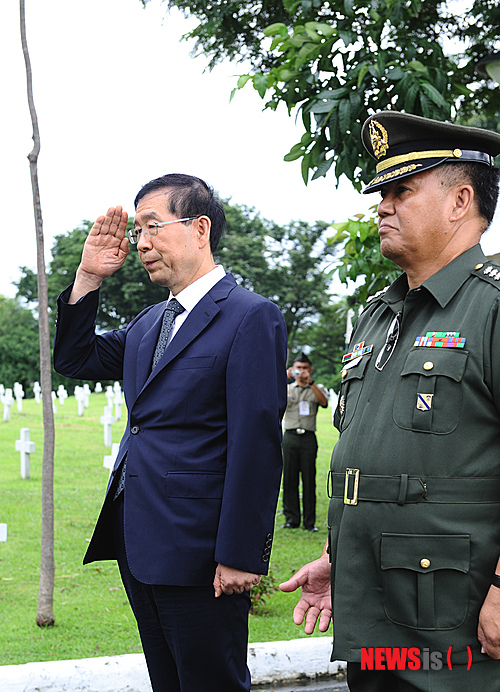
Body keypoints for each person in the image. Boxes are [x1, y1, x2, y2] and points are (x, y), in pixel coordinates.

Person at [279, 112, 500, 690]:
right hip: (376, 612)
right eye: (382, 192)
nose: (382, 205)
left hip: (456, 626)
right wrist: (337, 555)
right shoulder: (380, 315)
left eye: (402, 190)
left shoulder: (493, 308)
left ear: (460, 202)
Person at [53, 173, 287, 692]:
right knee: (169, 682)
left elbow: (257, 444)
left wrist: (241, 554)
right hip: (142, 543)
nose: (140, 243)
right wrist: (88, 277)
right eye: (137, 230)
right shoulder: (150, 323)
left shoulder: (249, 317)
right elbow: (75, 357)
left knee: (211, 682)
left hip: (202, 552)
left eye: (152, 226)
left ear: (199, 228)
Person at [282, 353, 328, 531]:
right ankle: (291, 519)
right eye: (298, 368)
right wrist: (282, 377)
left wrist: (311, 382)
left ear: (310, 370)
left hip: (308, 437)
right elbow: (273, 398)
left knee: (309, 480)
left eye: (304, 368)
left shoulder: (315, 388)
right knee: (289, 479)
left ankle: (309, 522)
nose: (301, 372)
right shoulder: (287, 388)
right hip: (291, 436)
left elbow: (323, 402)